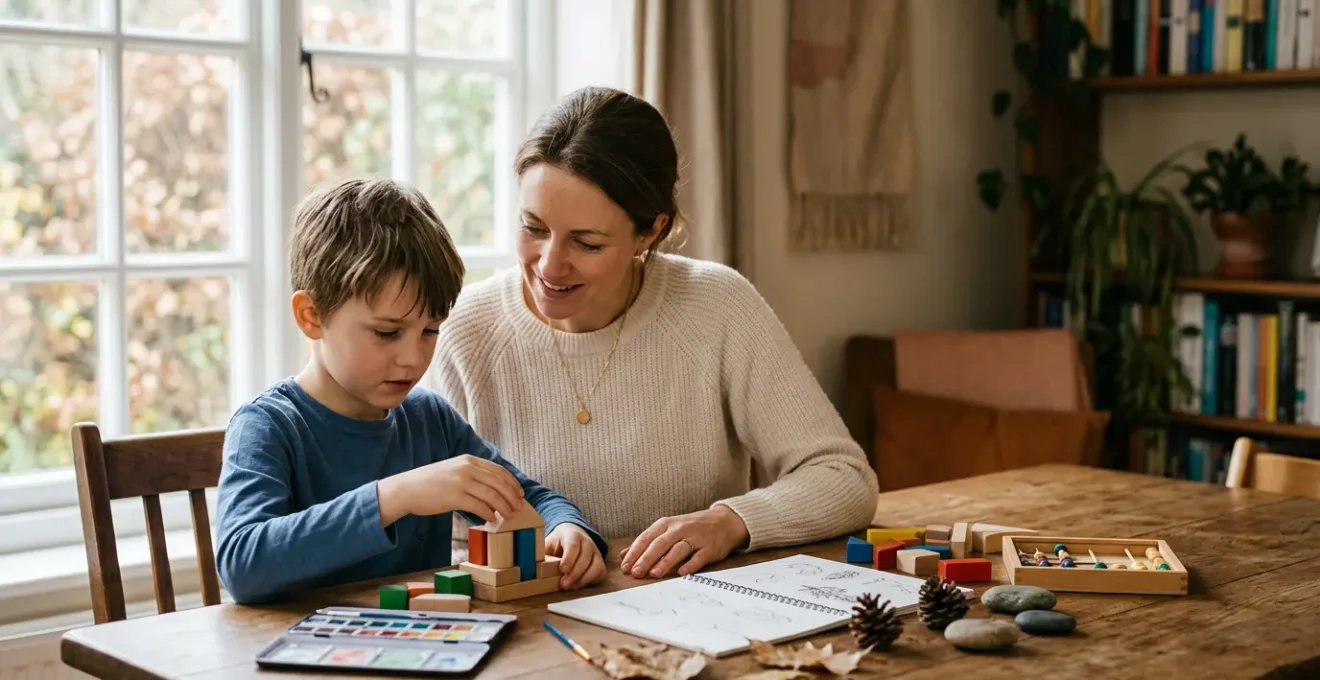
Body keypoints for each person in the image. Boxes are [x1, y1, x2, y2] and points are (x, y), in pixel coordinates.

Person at [431, 86, 879, 582]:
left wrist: (730, 522)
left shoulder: (717, 306)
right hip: (531, 625)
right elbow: (439, 539)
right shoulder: (467, 328)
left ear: (650, 232)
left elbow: (844, 478)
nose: (550, 264)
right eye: (533, 228)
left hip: (694, 614)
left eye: (587, 242)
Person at [215, 178, 608, 604]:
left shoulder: (429, 419)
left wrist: (566, 528)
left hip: (423, 646)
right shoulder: (267, 426)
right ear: (312, 316)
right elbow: (242, 565)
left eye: (430, 330)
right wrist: (395, 496)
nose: (413, 358)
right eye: (387, 332)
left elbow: (525, 497)